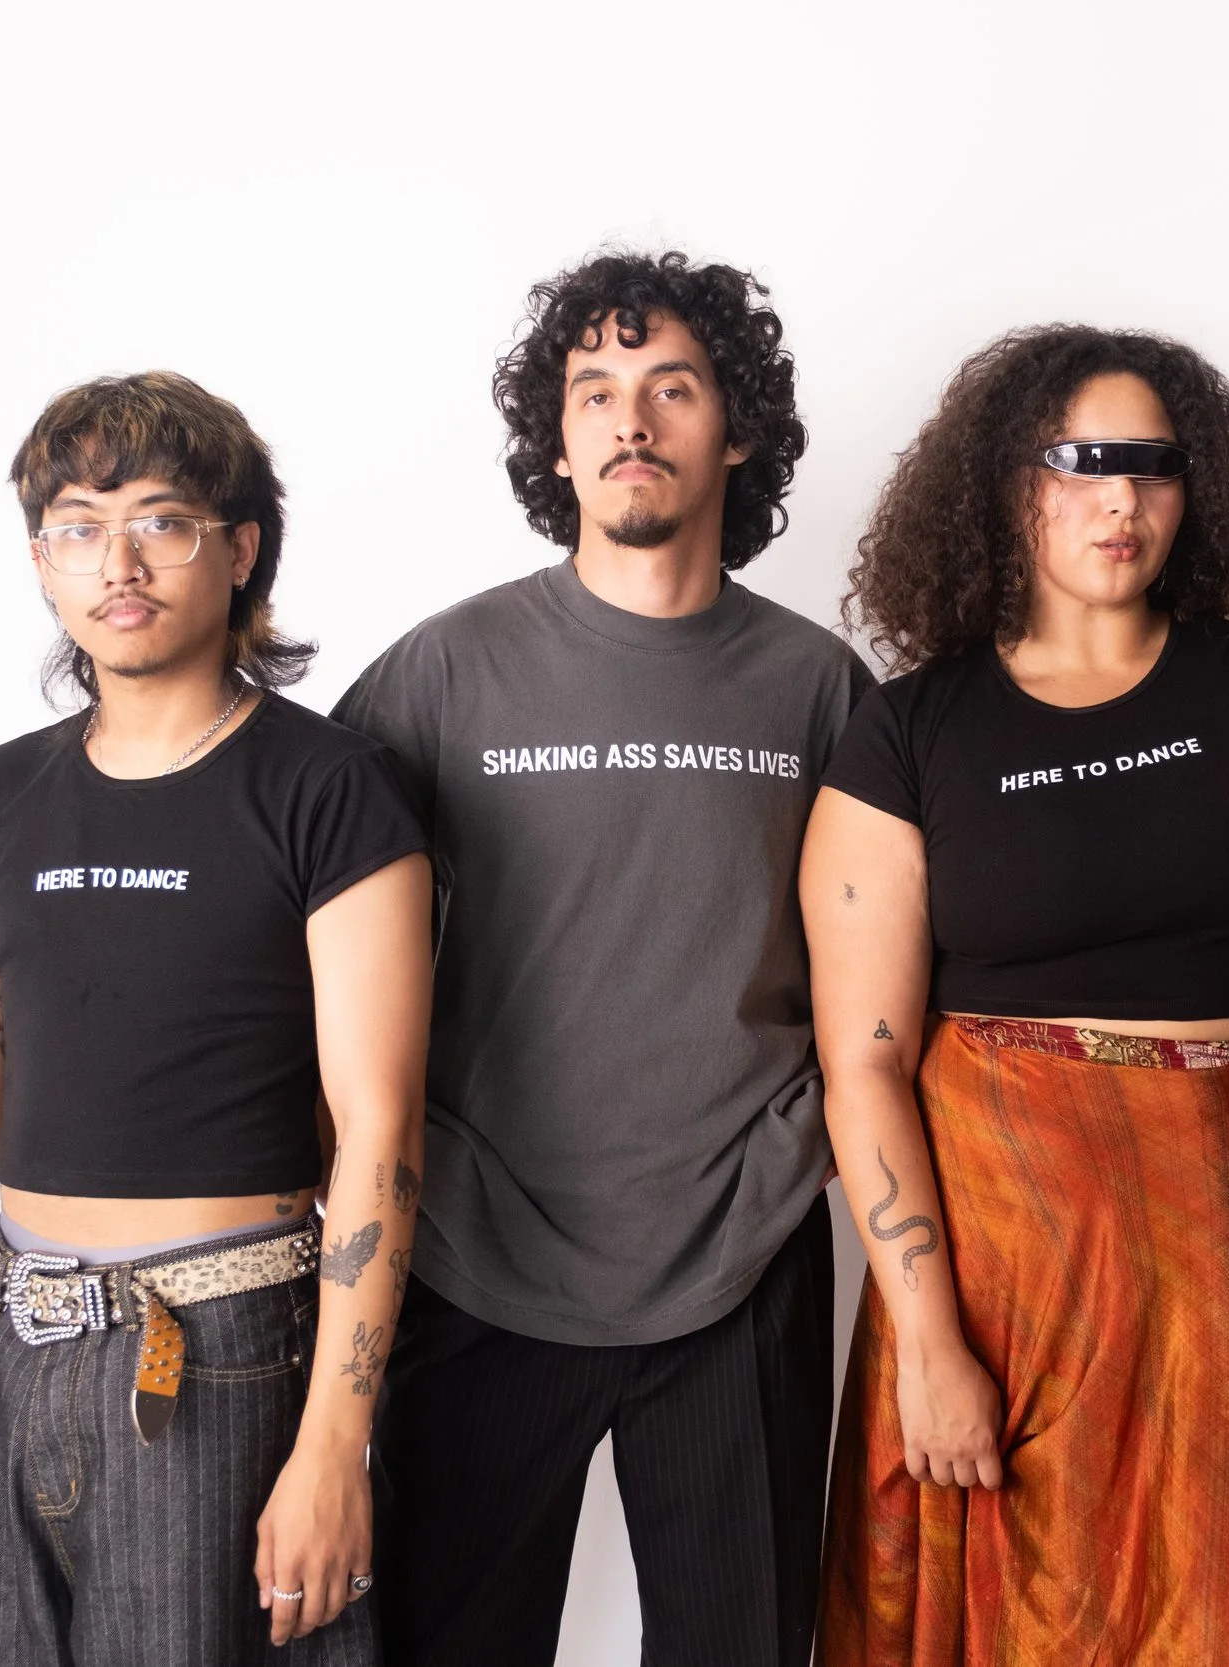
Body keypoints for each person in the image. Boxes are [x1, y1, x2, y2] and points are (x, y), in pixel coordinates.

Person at [805, 325, 1229, 1666]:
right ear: (1003, 482)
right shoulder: (909, 729)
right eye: (1079, 463)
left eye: (1153, 466)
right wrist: (929, 1342)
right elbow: (867, 1063)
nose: (1120, 500)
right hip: (1015, 1272)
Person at [332, 250, 872, 1666]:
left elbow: (891, 969)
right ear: (557, 440)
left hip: (741, 1252)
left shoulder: (818, 687)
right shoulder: (438, 676)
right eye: (594, 392)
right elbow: (308, 945)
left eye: (672, 387)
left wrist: (811, 1140)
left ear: (736, 429)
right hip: (479, 1252)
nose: (630, 419)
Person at [0, 372, 433, 1665]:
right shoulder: (1, 796)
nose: (117, 562)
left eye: (161, 521)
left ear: (240, 548)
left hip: (224, 1351)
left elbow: (381, 1126)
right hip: (9, 1343)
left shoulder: (330, 789)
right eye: (76, 527)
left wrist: (335, 1441)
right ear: (42, 562)